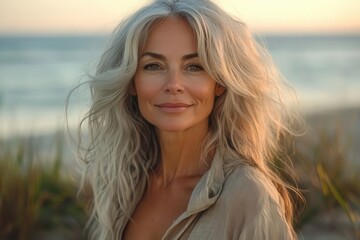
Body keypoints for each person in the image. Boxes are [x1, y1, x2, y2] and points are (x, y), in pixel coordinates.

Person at [68, 0, 303, 239]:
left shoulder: (248, 196)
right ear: (131, 82)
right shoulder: (124, 182)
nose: (173, 85)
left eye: (194, 67)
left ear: (219, 83)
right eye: (153, 66)